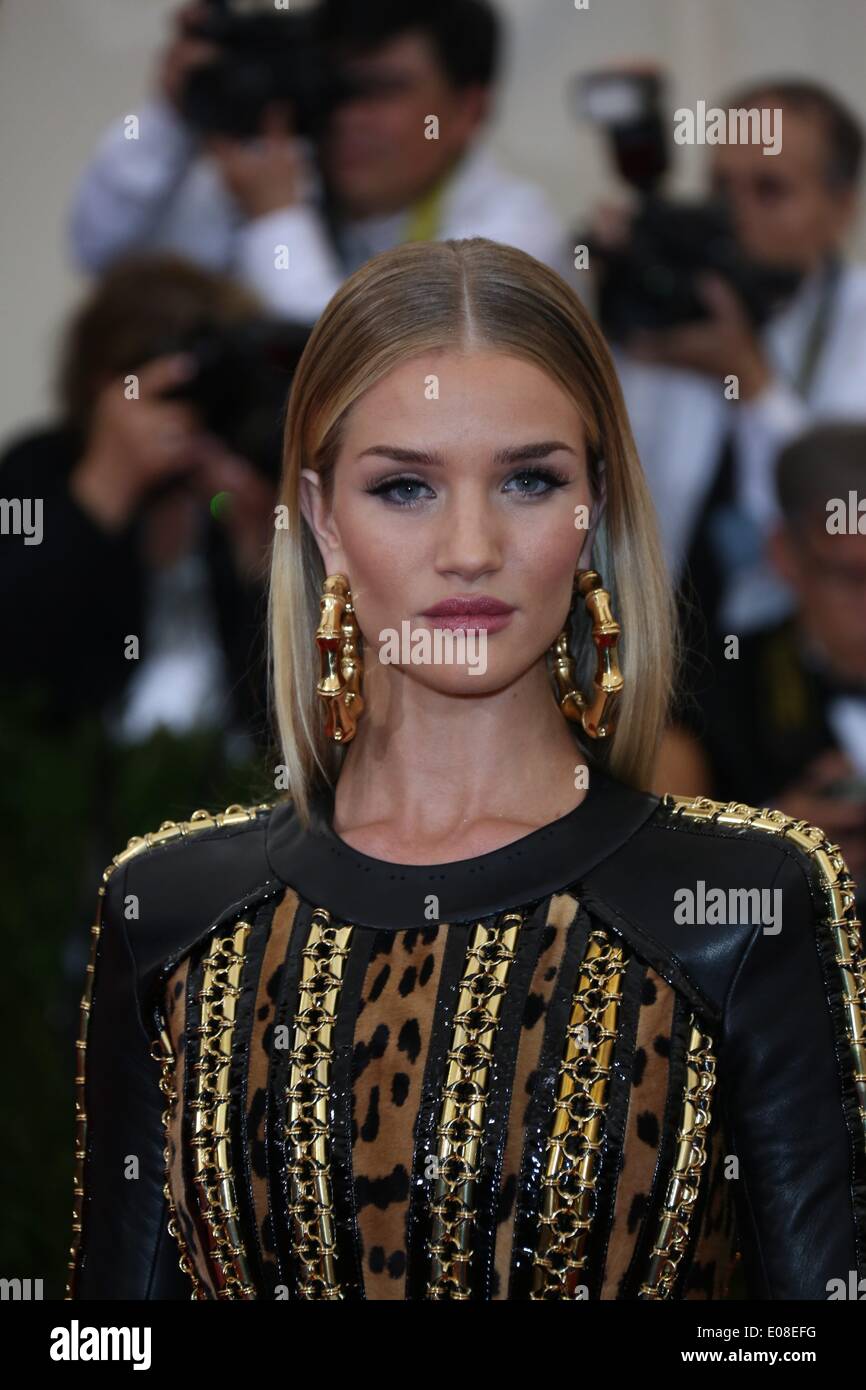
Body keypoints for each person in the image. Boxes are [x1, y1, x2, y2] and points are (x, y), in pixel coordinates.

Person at [66, 238, 866, 1302]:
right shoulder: (171, 913)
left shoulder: (740, 904)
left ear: (593, 514)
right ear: (322, 521)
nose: (470, 547)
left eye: (529, 479)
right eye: (403, 487)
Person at [599, 78, 866, 710]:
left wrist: (751, 385)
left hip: (811, 692)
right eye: (721, 189)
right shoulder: (663, 300)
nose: (737, 214)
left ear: (842, 206)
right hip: (650, 675)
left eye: (769, 190)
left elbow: (841, 523)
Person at [68, 0, 570, 322]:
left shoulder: (520, 233)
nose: (348, 117)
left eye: (381, 89)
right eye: (335, 89)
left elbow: (374, 380)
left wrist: (277, 221)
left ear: (470, 109)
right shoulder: (282, 179)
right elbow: (104, 254)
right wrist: (170, 116)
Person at [679, 421, 866, 891]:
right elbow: (655, 882)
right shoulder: (715, 688)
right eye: (853, 577)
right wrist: (764, 850)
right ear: (786, 555)